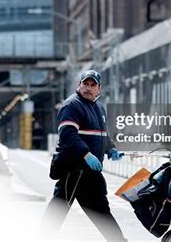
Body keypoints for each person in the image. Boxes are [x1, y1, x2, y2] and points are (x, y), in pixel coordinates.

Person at [42, 70, 127, 241]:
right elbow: (67, 135)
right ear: (78, 85)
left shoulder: (99, 107)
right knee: (57, 212)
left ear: (99, 89)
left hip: (90, 174)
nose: (88, 88)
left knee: (101, 211)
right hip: (72, 171)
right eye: (85, 84)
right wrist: (86, 154)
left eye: (92, 85)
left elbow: (102, 134)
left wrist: (110, 148)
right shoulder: (72, 105)